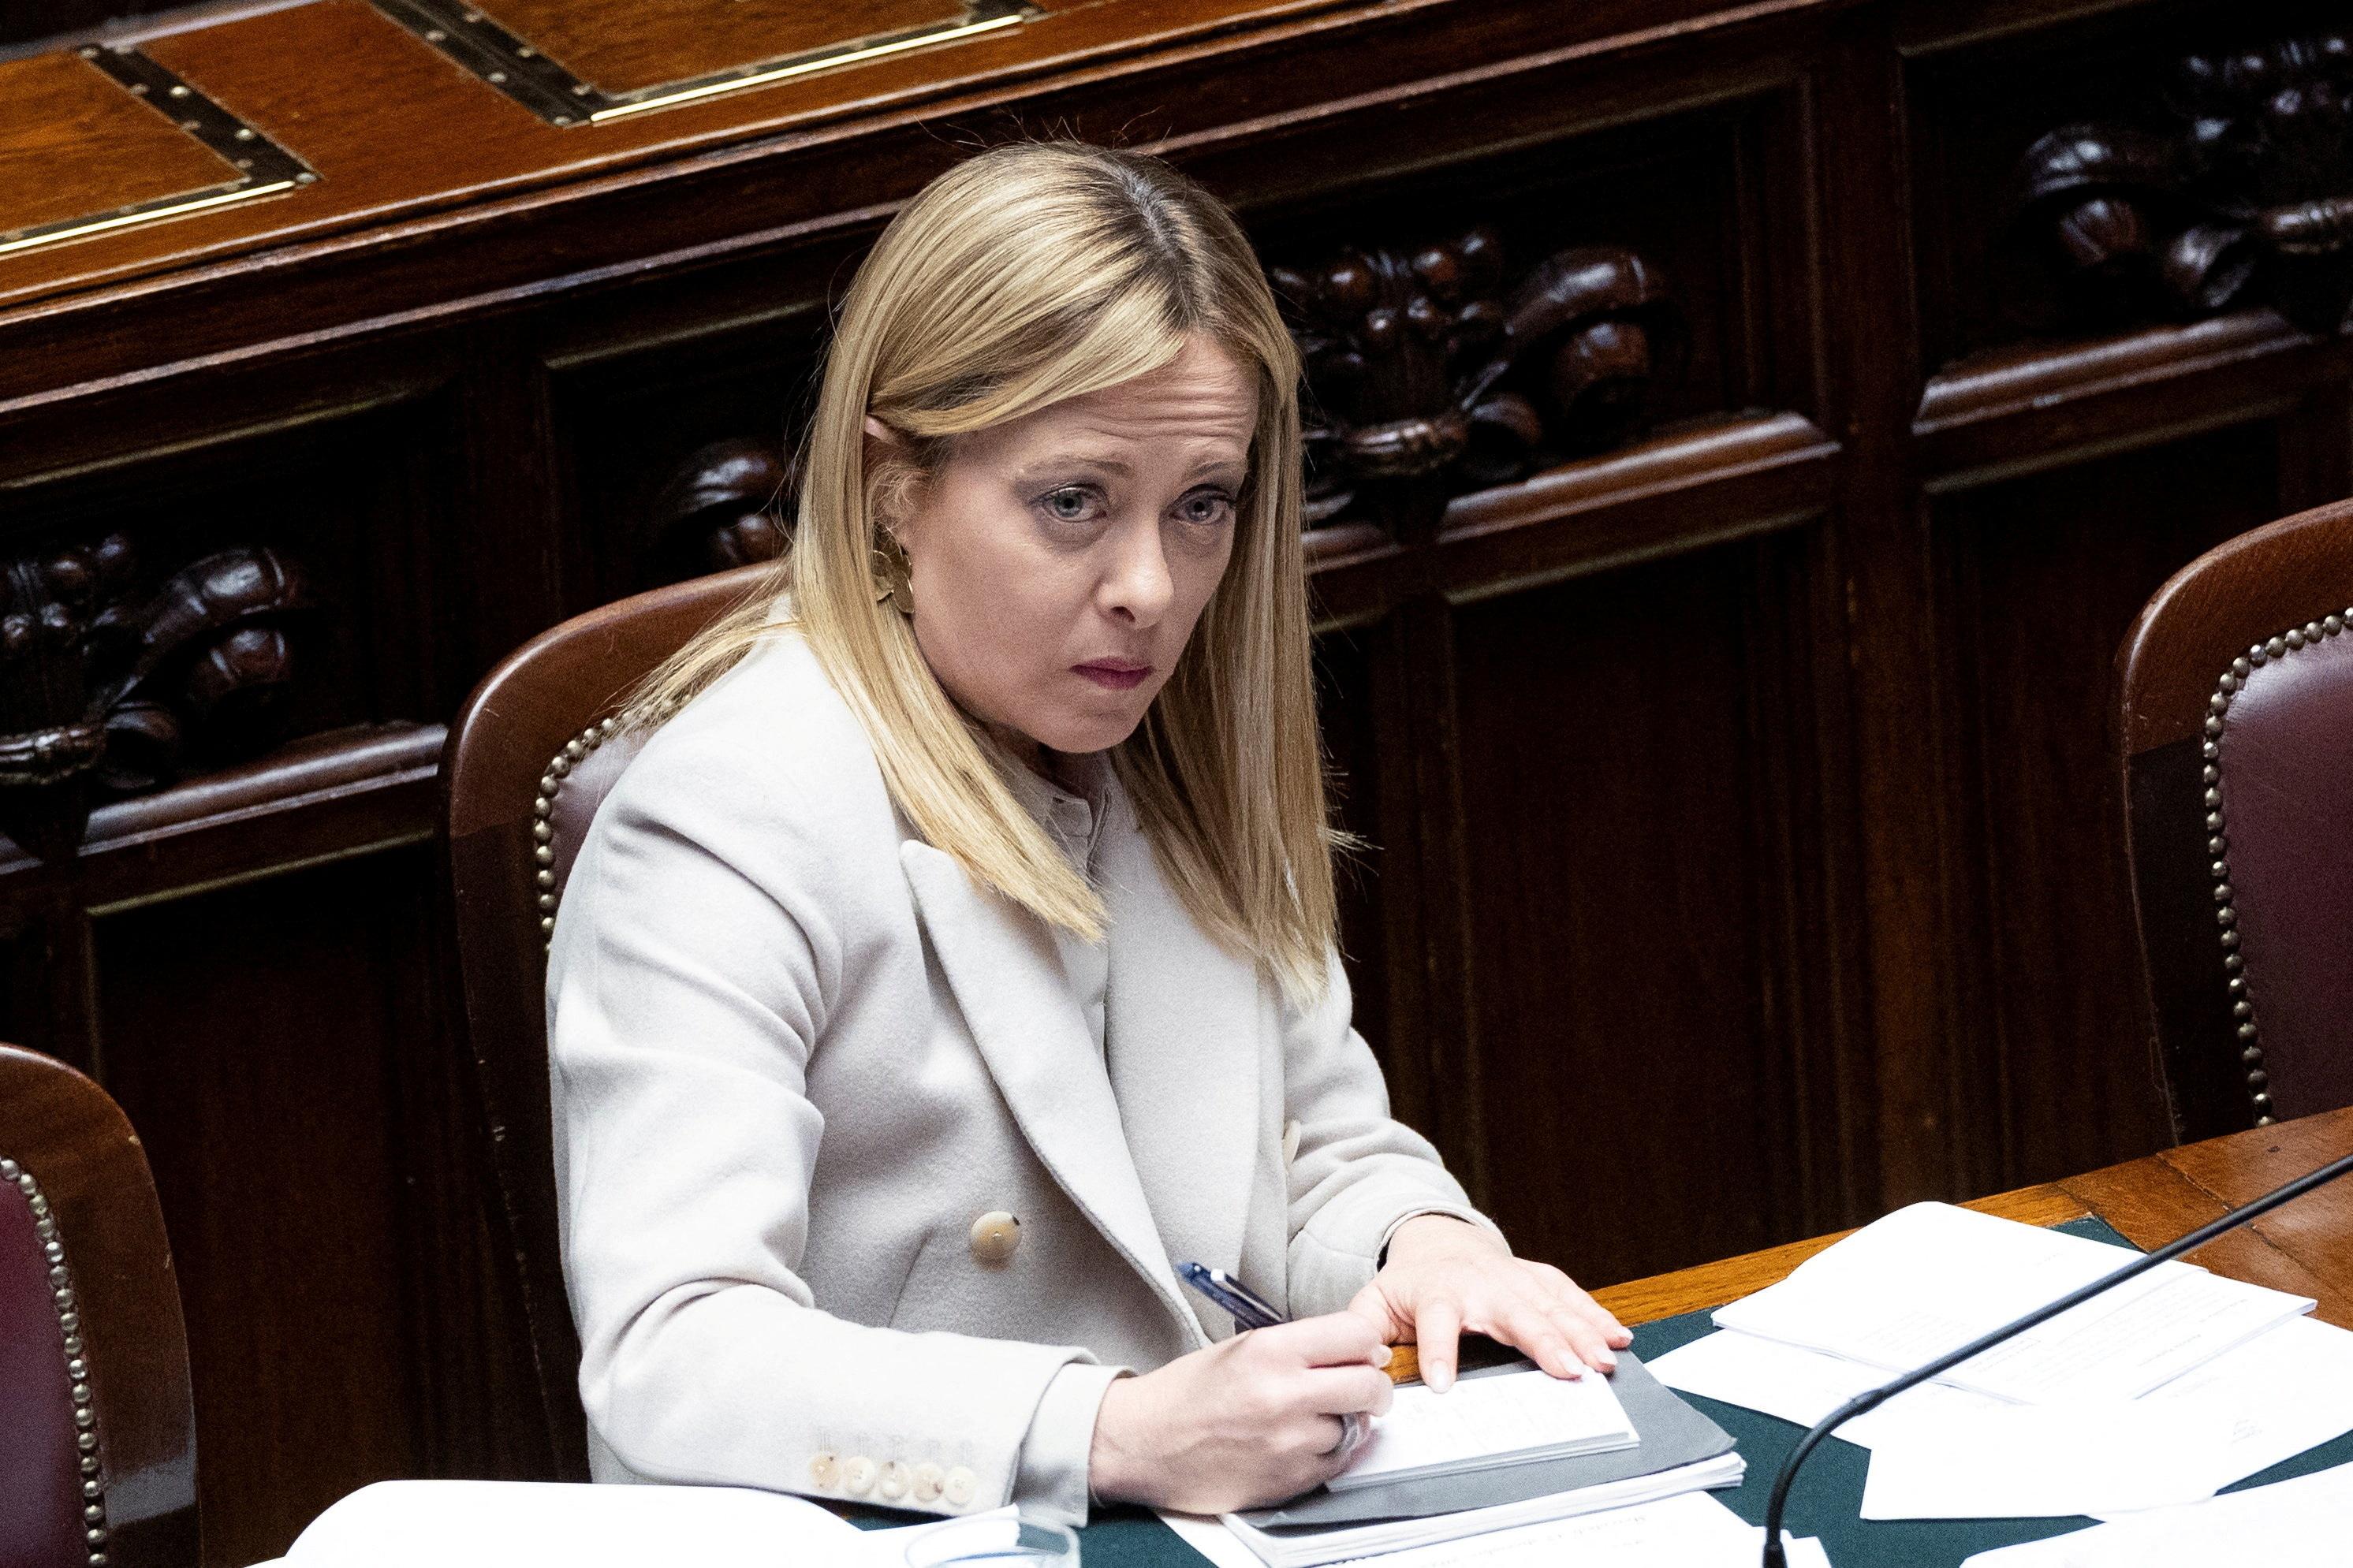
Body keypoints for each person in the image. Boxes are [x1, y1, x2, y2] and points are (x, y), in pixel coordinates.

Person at [544, 140, 1630, 1527]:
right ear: (891, 485)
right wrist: (1103, 1429)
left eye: (1202, 505)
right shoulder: (729, 814)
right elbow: (672, 1352)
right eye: (1074, 503)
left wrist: (1423, 1246)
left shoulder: (1179, 745)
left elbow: (1310, 1150)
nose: (1151, 588)